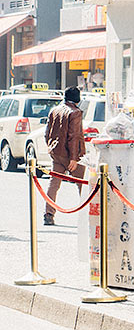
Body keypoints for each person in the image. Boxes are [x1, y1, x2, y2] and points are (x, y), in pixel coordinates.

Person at [44, 86, 86, 226]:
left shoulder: (55, 110)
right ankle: (88, 215)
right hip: (72, 155)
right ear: (77, 99)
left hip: (57, 152)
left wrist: (51, 147)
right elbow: (73, 137)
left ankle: (48, 214)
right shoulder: (75, 113)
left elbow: (47, 133)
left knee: (54, 184)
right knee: (83, 185)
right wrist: (74, 158)